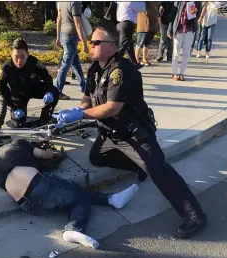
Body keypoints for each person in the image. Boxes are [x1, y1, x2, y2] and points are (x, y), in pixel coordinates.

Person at [57, 27, 208, 239]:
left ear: (111, 46)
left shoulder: (121, 70)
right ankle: (140, 168)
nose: (90, 44)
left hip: (132, 134)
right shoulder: (94, 70)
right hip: (110, 133)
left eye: (95, 42)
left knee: (159, 170)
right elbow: (88, 98)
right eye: (91, 42)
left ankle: (195, 216)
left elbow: (112, 108)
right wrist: (78, 110)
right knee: (96, 157)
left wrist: (82, 116)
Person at [0, 138, 139, 249]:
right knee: (79, 193)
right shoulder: (17, 143)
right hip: (40, 185)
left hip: (27, 205)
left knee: (75, 199)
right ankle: (77, 226)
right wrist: (49, 151)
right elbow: (45, 155)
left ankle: (111, 201)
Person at [0, 38, 60, 128]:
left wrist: (49, 91)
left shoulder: (33, 62)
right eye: (16, 57)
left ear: (27, 54)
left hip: (33, 88)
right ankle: (20, 116)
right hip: (17, 95)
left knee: (55, 92)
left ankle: (45, 118)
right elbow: (2, 90)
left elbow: (47, 77)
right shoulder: (5, 69)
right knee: (19, 124)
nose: (19, 61)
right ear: (11, 55)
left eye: (22, 57)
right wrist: (14, 107)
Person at [56, 1, 89, 100]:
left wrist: (58, 37)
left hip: (64, 34)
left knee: (75, 63)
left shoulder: (62, 2)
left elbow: (59, 19)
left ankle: (83, 86)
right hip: (71, 36)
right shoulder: (75, 3)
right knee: (65, 65)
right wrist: (84, 43)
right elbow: (78, 23)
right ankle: (57, 91)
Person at [168, 2, 199, 81]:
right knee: (176, 52)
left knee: (186, 52)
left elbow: (197, 15)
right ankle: (174, 73)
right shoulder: (178, 2)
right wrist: (169, 30)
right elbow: (172, 16)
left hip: (189, 30)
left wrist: (196, 11)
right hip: (178, 30)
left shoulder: (195, 2)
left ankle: (182, 73)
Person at [115, 1, 146, 68]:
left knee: (129, 46)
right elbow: (142, 8)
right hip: (126, 24)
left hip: (122, 24)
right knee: (122, 47)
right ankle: (113, 64)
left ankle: (135, 64)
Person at [135, 1, 159, 66]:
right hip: (143, 24)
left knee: (147, 44)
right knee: (139, 43)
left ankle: (144, 59)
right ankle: (136, 60)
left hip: (152, 24)